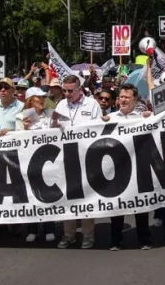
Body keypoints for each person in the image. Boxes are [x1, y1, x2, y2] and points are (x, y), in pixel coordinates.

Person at [101, 84, 153, 250]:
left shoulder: (142, 118)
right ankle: (116, 240)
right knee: (117, 206)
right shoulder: (109, 118)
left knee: (141, 205)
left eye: (127, 97)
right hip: (116, 170)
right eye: (121, 97)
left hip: (138, 168)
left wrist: (149, 118)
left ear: (135, 99)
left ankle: (144, 239)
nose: (123, 100)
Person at [54, 75, 102, 250]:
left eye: (70, 91)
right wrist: (52, 121)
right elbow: (53, 130)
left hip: (86, 157)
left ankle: (88, 235)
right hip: (65, 158)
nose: (66, 94)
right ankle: (69, 235)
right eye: (64, 90)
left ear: (79, 89)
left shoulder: (92, 104)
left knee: (86, 196)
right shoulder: (60, 105)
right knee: (68, 196)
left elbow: (98, 129)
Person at [15, 87, 56, 243]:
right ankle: (32, 228)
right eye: (39, 98)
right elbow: (18, 140)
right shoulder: (21, 117)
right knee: (31, 194)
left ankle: (49, 228)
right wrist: (25, 128)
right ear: (31, 100)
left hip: (48, 160)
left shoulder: (50, 114)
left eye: (43, 97)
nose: (42, 100)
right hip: (28, 160)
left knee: (48, 193)